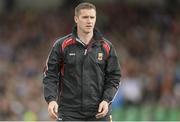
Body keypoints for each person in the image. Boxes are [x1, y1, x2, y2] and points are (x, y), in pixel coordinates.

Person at [43, 2, 121, 121]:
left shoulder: (106, 47)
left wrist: (106, 100)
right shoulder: (62, 45)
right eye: (85, 17)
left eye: (92, 17)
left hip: (99, 112)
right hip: (69, 112)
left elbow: (114, 77)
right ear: (76, 19)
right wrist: (51, 99)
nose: (89, 21)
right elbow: (50, 75)